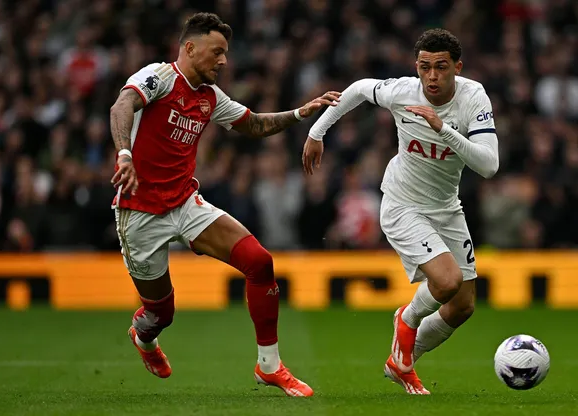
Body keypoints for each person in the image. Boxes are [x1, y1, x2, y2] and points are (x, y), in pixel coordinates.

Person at [109, 12, 340, 397]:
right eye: (217, 52)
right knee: (161, 313)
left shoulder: (210, 97)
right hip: (140, 212)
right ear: (189, 48)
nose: (224, 61)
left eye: (226, 53)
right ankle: (144, 337)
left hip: (185, 203)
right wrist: (124, 155)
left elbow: (255, 124)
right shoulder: (160, 77)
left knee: (259, 262)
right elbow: (122, 106)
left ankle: (269, 366)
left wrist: (301, 113)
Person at [303, 28, 499, 395]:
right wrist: (317, 132)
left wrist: (443, 129)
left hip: (446, 208)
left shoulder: (474, 97)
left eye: (441, 67)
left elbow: (489, 165)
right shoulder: (403, 92)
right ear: (416, 67)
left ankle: (402, 360)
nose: (432, 76)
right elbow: (359, 89)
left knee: (462, 306)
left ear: (458, 67)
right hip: (402, 204)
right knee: (446, 282)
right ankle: (406, 319)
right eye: (424, 67)